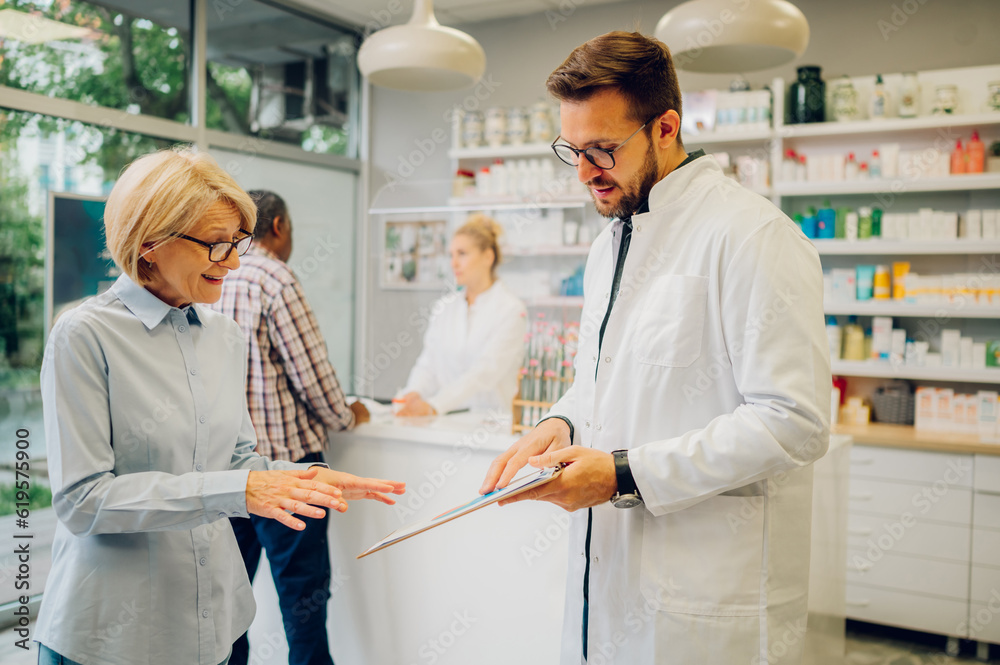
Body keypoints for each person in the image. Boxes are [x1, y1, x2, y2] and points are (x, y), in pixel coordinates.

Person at [480, 31, 831, 665]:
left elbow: (795, 422)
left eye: (603, 150)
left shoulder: (752, 237)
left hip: (705, 599)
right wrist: (561, 422)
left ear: (665, 127)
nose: (586, 173)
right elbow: (605, 381)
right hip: (608, 583)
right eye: (573, 150)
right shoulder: (609, 243)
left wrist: (623, 473)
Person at [34, 147, 405, 665]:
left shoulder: (224, 336)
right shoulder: (84, 335)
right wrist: (245, 487)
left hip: (214, 627)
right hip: (112, 638)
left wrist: (297, 477)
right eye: (215, 245)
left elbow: (234, 462)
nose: (233, 262)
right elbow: (83, 500)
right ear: (149, 246)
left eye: (237, 242)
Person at [210, 190, 368, 665]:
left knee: (227, 609)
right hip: (288, 472)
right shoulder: (274, 276)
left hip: (225, 474)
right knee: (302, 604)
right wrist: (347, 415)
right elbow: (312, 375)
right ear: (278, 226)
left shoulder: (211, 274)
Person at [396, 214, 527, 417]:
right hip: (443, 422)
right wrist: (413, 393)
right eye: (451, 255)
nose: (454, 263)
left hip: (488, 426)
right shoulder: (445, 307)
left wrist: (435, 405)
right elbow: (428, 363)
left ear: (488, 257)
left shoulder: (511, 310)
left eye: (462, 254)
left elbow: (484, 373)